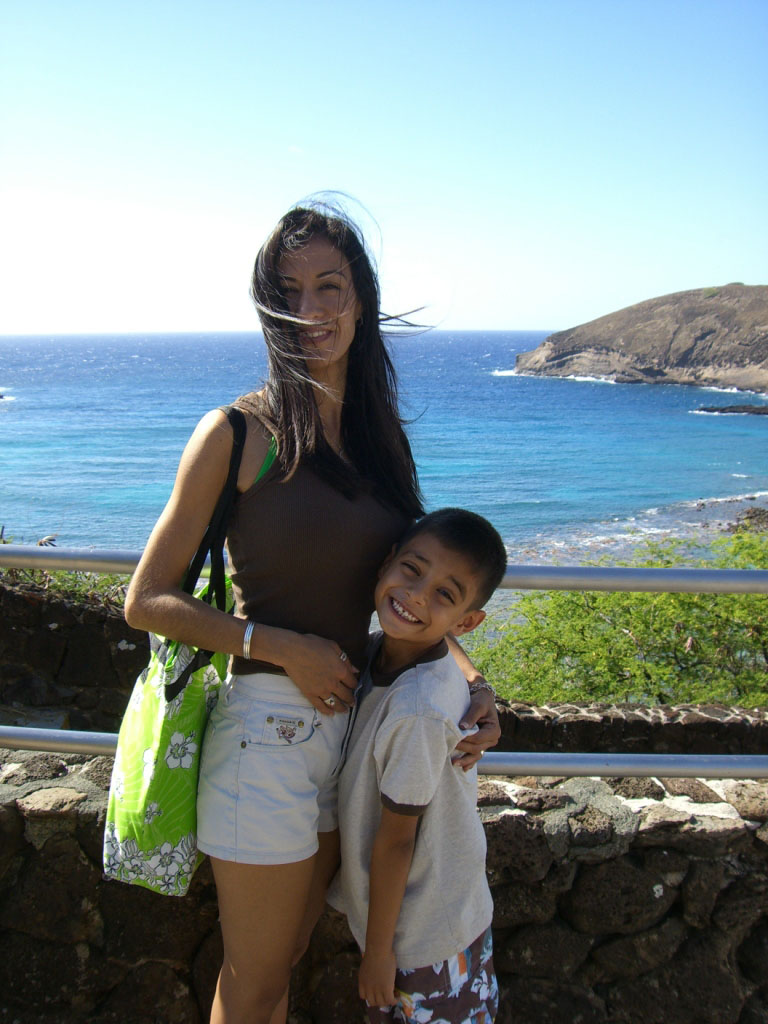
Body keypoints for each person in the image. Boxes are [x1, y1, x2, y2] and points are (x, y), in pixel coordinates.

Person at [123, 198, 502, 1024]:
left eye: (330, 287)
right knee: (256, 981)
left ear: (360, 300)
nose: (311, 312)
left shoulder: (379, 438)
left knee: (289, 955)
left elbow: (421, 585)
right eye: (288, 291)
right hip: (264, 732)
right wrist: (281, 646)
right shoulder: (235, 433)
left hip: (352, 733)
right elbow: (146, 600)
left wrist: (477, 685)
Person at [328, 507, 505, 1023]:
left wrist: (379, 953)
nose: (417, 595)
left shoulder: (417, 710)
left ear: (467, 622)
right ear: (388, 562)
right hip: (445, 914)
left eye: (445, 595)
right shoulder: (384, 652)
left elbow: (397, 838)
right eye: (412, 569)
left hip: (421, 939)